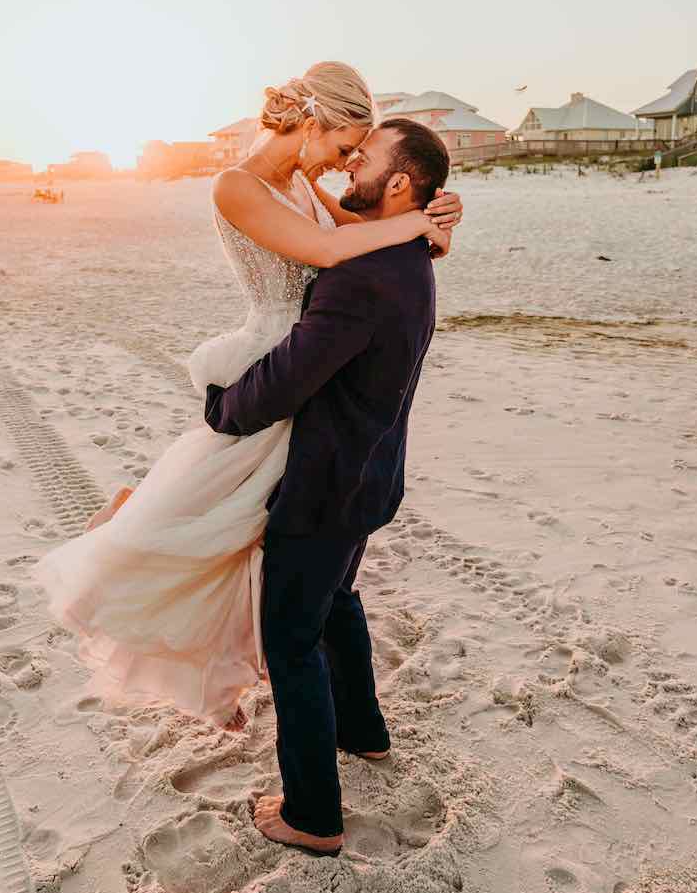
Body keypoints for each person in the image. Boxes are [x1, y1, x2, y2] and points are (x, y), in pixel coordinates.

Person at [34, 63, 462, 724]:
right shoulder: (236, 185)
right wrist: (414, 228)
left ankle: (316, 698)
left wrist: (435, 219)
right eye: (346, 147)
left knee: (273, 535)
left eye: (356, 155)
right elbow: (326, 250)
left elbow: (355, 239)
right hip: (276, 355)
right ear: (313, 122)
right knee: (221, 520)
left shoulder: (302, 181)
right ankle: (136, 534)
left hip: (315, 358)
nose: (345, 164)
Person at [204, 117, 450, 856]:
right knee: (337, 600)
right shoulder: (411, 253)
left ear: (401, 182)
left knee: (291, 634)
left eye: (364, 159)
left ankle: (312, 816)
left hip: (326, 484)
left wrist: (224, 407)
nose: (351, 168)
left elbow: (287, 380)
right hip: (372, 474)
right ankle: (363, 732)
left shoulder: (363, 276)